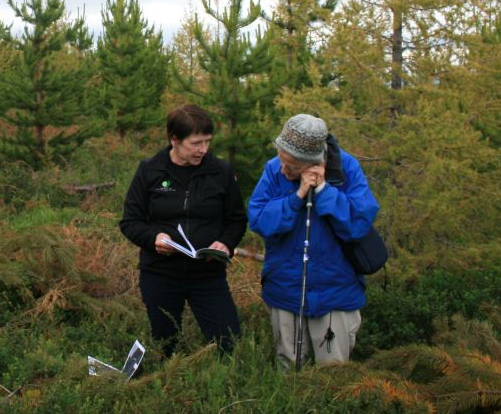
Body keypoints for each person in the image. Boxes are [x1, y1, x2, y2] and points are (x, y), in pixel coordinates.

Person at [247, 113, 379, 370]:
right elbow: (259, 219)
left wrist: (323, 191)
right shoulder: (274, 169)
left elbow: (359, 224)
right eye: (281, 159)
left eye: (291, 166)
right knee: (289, 369)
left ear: (312, 162)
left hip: (336, 293)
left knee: (332, 373)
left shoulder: (347, 169)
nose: (283, 169)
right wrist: (296, 197)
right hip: (285, 290)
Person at [120, 104, 247, 356]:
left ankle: (220, 389)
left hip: (208, 275)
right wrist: (153, 237)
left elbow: (236, 219)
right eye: (196, 143)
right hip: (160, 273)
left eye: (207, 142)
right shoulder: (150, 170)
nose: (203, 150)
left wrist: (225, 243)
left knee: (229, 342)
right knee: (164, 345)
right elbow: (130, 222)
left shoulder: (219, 171)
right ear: (174, 140)